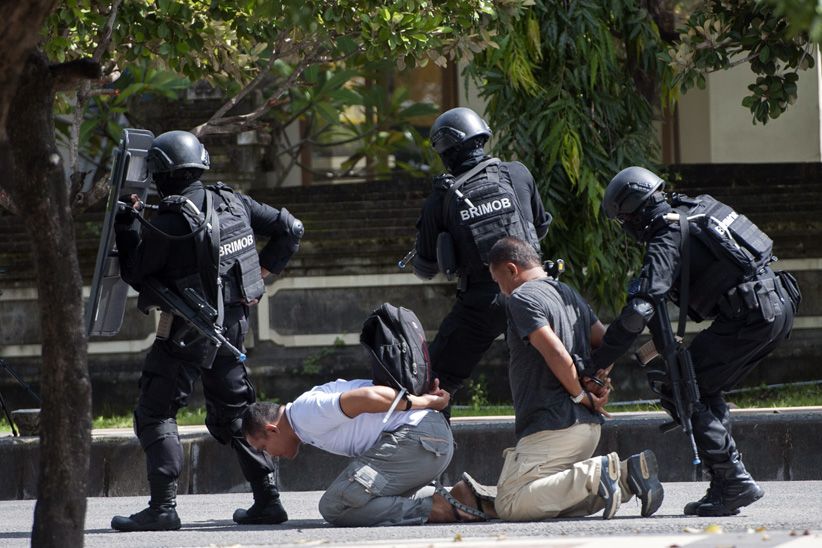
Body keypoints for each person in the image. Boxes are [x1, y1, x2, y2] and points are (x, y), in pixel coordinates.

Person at [110, 130, 305, 531]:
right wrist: (264, 269)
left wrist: (127, 224)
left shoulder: (168, 219)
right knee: (235, 411)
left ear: (160, 173)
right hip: (233, 326)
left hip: (187, 329)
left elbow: (136, 273)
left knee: (156, 409)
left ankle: (163, 507)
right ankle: (267, 499)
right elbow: (292, 228)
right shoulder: (233, 201)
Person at [592, 166, 798, 517]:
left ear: (633, 212)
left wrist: (596, 363)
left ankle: (732, 480)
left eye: (623, 219)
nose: (625, 227)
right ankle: (725, 482)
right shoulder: (697, 205)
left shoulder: (665, 234)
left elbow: (640, 309)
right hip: (777, 303)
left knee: (682, 388)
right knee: (702, 386)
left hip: (749, 316)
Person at [486, 236, 664, 521]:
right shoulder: (568, 292)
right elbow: (605, 342)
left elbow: (554, 351)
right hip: (585, 429)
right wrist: (599, 381)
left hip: (552, 425)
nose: (502, 290)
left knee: (509, 503)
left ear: (511, 269)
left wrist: (581, 395)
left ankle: (596, 473)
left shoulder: (522, 297)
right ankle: (629, 478)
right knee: (550, 502)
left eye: (498, 281)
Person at [412, 107, 552, 402]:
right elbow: (539, 228)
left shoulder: (441, 198)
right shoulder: (517, 173)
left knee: (433, 380)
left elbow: (425, 269)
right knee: (561, 369)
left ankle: (433, 445)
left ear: (445, 153)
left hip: (483, 304)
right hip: (538, 293)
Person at [241, 378, 488, 526]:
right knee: (360, 498)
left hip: (419, 440)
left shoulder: (304, 415)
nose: (270, 455)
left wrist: (425, 402)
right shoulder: (304, 416)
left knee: (335, 506)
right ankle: (459, 496)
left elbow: (368, 396)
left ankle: (438, 507)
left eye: (264, 448)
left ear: (272, 430)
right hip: (426, 444)